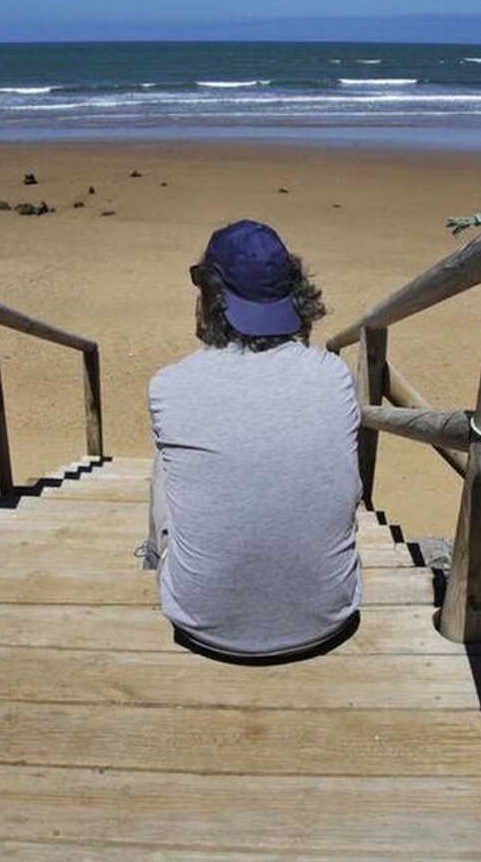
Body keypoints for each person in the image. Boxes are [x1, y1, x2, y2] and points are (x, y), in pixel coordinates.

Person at [146, 219, 363, 663]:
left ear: (212, 296)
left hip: (202, 626)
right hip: (329, 621)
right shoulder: (335, 376)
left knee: (165, 461)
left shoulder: (169, 386)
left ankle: (152, 560)